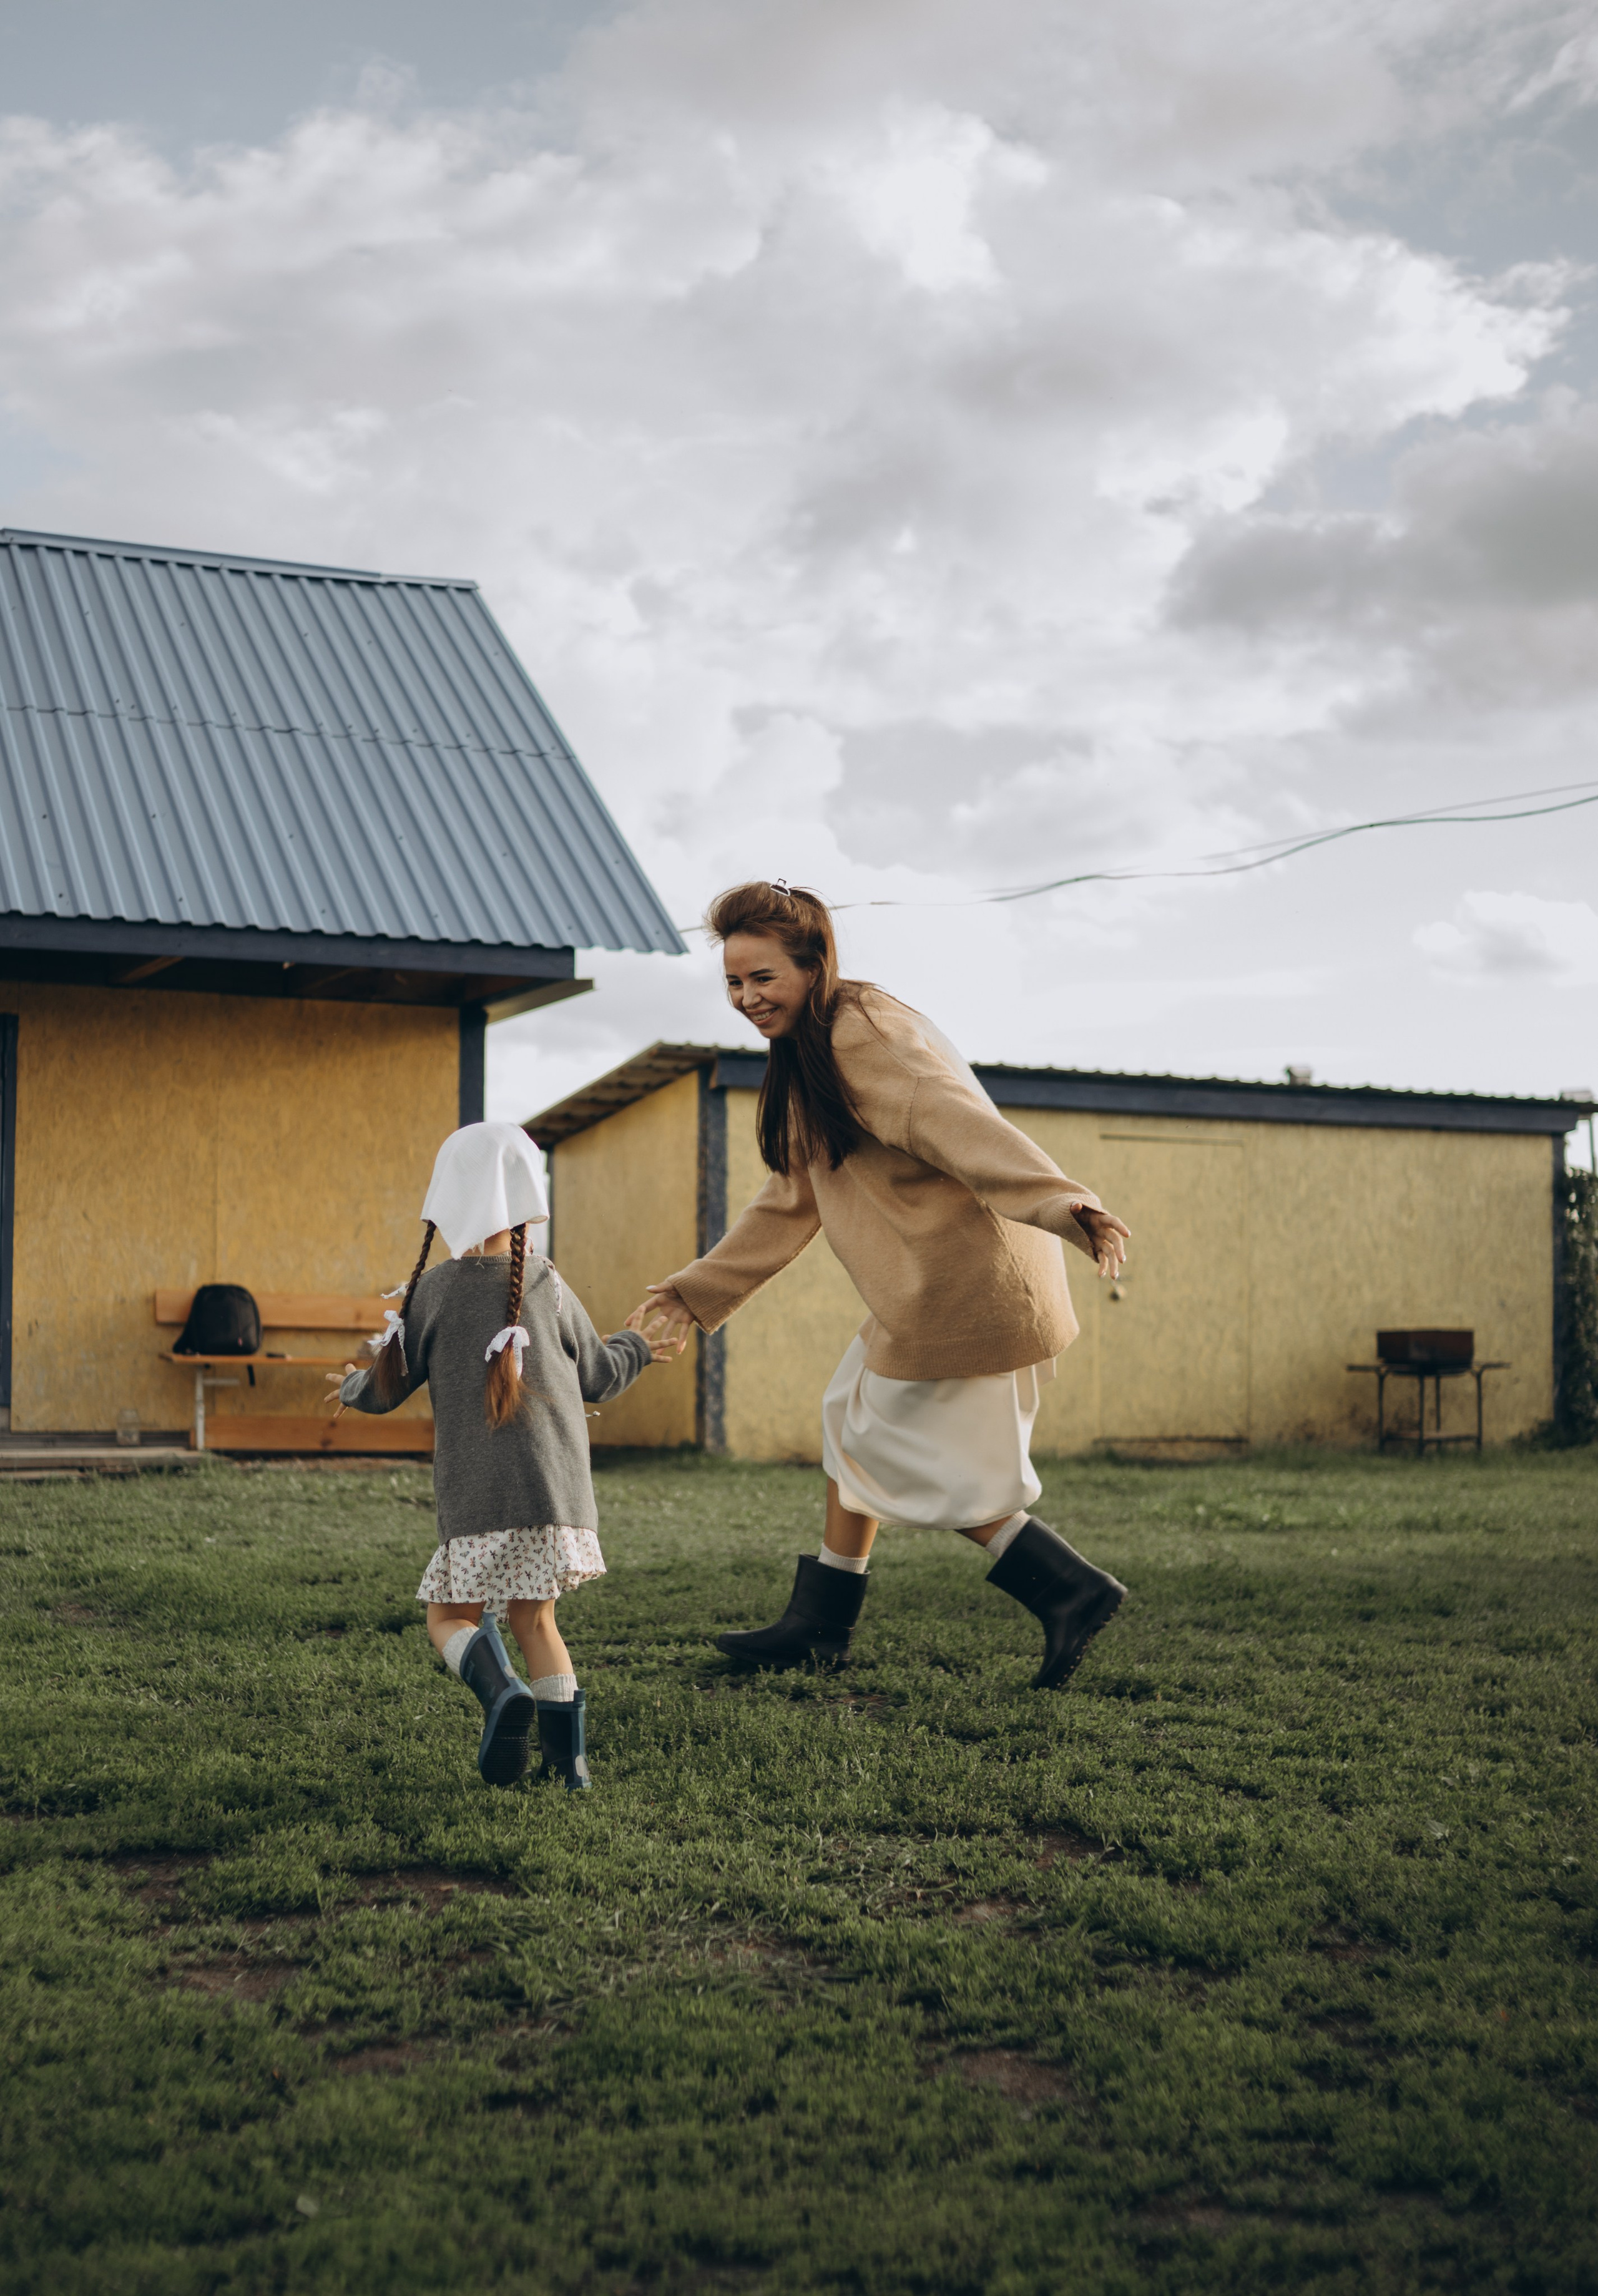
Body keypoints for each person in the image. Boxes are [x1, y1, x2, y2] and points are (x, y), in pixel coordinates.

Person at [626, 882, 1133, 1689]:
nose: (747, 998)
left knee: (905, 1455)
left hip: (970, 1283)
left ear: (814, 962)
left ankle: (1069, 1588)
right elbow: (794, 1196)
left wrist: (1068, 1204)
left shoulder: (863, 1034)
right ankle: (820, 1623)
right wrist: (696, 1289)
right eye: (733, 982)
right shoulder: (812, 1047)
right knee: (849, 1418)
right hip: (929, 1289)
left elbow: (960, 1123)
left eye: (763, 977)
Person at [330, 1122, 673, 1790]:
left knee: (448, 1617)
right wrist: (639, 1345)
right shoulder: (545, 1281)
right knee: (534, 1618)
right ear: (525, 1198)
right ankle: (569, 1767)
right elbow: (600, 1373)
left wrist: (346, 1388)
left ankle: (500, 1694)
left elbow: (385, 1385)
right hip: (556, 1499)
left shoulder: (434, 1291)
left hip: (479, 1499)